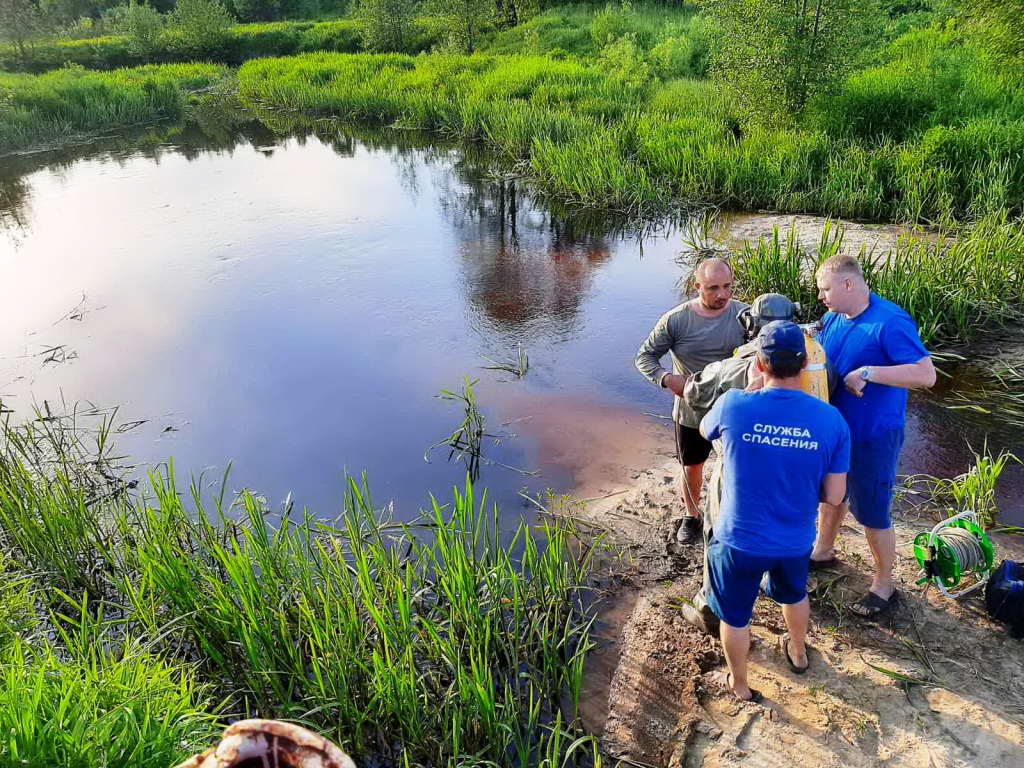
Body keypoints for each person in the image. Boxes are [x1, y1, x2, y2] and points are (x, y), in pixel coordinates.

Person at [700, 321, 850, 702]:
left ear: (760, 363)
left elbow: (704, 430)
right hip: (794, 539)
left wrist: (750, 390)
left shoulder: (734, 404)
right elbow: (835, 496)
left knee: (735, 617)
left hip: (738, 539)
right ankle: (797, 653)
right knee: (794, 594)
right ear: (804, 363)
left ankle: (740, 684)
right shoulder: (831, 421)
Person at [810, 255, 936, 618]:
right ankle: (823, 551)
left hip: (873, 436)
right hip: (837, 432)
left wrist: (868, 372)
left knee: (873, 512)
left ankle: (884, 585)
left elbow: (926, 375)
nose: (821, 296)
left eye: (825, 288)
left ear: (848, 285)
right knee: (832, 495)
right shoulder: (834, 317)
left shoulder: (890, 321)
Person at [679, 293, 811, 637]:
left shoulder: (731, 368)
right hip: (796, 472)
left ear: (750, 324)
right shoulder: (816, 366)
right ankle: (778, 585)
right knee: (786, 529)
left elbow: (694, 394)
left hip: (738, 472)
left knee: (719, 534)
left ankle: (711, 608)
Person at [635, 258, 749, 545]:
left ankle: (733, 515)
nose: (722, 295)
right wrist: (666, 379)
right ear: (696, 286)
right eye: (713, 288)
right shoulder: (676, 320)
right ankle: (692, 515)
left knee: (738, 464)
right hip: (691, 410)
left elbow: (764, 354)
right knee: (692, 466)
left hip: (736, 409)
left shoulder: (745, 315)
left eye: (727, 287)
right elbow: (644, 357)